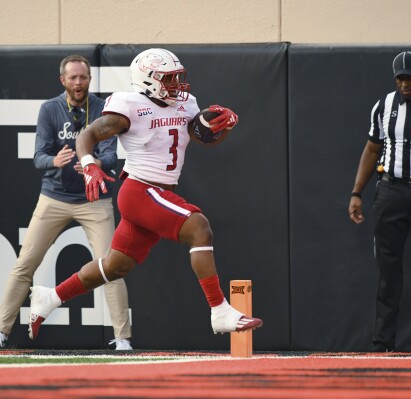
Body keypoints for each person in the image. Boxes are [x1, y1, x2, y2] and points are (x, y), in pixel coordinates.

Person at [27, 48, 263, 343]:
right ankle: (219, 310)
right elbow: (86, 135)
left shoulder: (186, 103)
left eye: (178, 78)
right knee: (199, 227)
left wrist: (221, 127)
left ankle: (50, 297)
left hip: (158, 193)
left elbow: (202, 138)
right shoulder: (131, 106)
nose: (177, 85)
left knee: (115, 266)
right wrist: (89, 165)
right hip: (141, 191)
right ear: (148, 80)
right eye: (170, 78)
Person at [0, 55, 132, 350]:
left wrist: (94, 161)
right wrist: (55, 160)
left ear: (90, 79)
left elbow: (113, 155)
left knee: (111, 267)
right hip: (55, 197)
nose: (78, 82)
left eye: (83, 77)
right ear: (62, 80)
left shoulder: (102, 109)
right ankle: (0, 332)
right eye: (72, 78)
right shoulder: (50, 108)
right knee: (24, 264)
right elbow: (39, 157)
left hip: (94, 199)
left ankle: (122, 338)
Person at [349, 51, 411, 352]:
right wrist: (356, 192)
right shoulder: (384, 106)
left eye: (410, 78)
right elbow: (372, 149)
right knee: (388, 272)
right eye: (400, 78)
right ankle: (383, 342)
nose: (405, 84)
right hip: (390, 192)